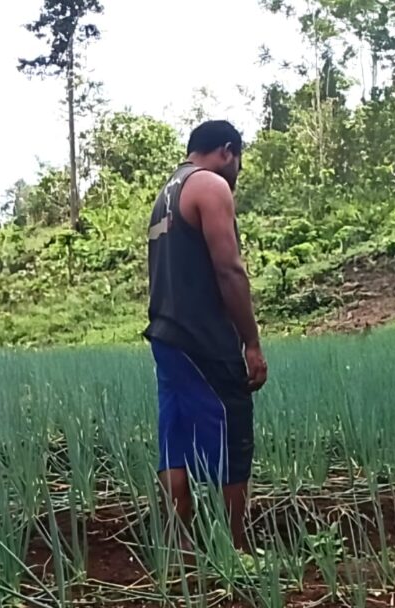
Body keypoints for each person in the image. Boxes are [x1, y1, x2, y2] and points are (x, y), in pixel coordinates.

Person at [144, 119, 268, 552]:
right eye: (238, 162)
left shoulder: (167, 193)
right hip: (204, 337)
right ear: (227, 151)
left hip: (166, 333)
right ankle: (237, 547)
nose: (236, 172)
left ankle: (181, 544)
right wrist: (250, 341)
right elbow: (229, 268)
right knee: (233, 426)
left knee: (174, 434)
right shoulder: (211, 186)